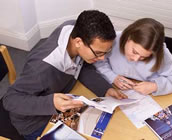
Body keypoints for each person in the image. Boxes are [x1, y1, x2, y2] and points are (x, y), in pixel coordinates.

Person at [2, 10, 127, 140]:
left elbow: (81, 66)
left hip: (61, 99)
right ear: (78, 42)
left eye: (106, 52)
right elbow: (10, 100)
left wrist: (105, 89)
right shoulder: (41, 68)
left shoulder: (74, 28)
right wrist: (51, 103)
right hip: (34, 122)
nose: (102, 59)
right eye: (98, 53)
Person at [94, 18, 172, 96]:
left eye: (144, 57)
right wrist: (112, 77)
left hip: (149, 95)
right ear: (128, 38)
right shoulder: (113, 40)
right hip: (114, 87)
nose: (136, 59)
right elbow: (99, 61)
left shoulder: (161, 52)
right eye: (135, 52)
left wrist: (155, 86)